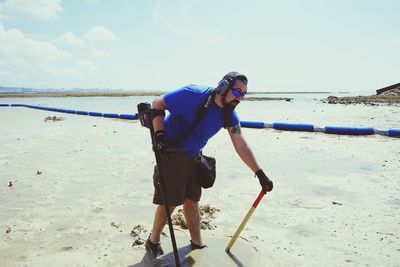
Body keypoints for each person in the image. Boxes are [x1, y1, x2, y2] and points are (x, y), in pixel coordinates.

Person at [145, 71, 273, 257]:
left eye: (244, 94)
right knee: (170, 203)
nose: (240, 98)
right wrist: (160, 137)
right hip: (171, 153)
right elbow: (157, 103)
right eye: (237, 92)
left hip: (195, 156)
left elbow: (241, 144)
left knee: (192, 200)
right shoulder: (194, 94)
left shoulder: (229, 115)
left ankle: (197, 243)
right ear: (223, 86)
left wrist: (260, 173)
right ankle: (153, 241)